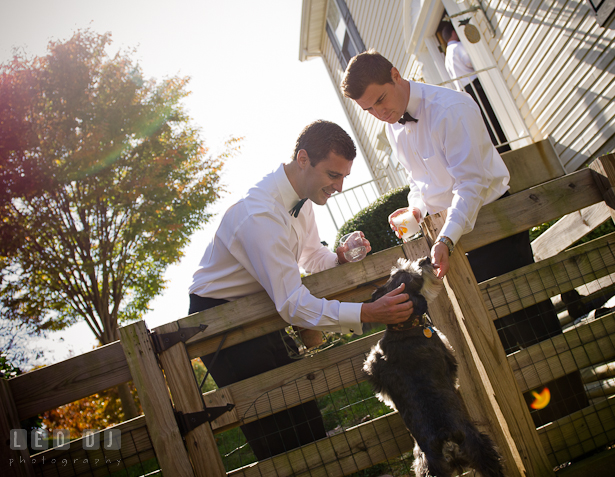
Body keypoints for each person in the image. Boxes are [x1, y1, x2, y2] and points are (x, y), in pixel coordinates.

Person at [341, 51, 587, 424]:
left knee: (531, 323)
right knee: (495, 338)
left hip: (492, 228)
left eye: (380, 99)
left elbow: (471, 183)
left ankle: (577, 421)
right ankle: (539, 427)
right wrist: (414, 209)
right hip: (450, 241)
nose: (380, 113)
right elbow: (421, 184)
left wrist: (447, 238)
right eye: (369, 109)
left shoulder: (451, 109)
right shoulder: (393, 128)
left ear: (396, 75)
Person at [188, 120, 413, 459]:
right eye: (333, 175)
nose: (338, 187)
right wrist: (367, 313)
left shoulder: (302, 199)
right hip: (220, 321)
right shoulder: (260, 215)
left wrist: (338, 256)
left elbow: (310, 256)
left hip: (263, 307)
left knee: (305, 412)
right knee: (278, 433)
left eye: (343, 178)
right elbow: (292, 304)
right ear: (304, 158)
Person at [441, 23, 510, 153]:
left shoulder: (447, 56)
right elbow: (468, 60)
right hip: (474, 85)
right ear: (454, 33)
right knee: (491, 114)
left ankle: (499, 147)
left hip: (464, 90)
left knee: (484, 119)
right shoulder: (457, 47)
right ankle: (505, 143)